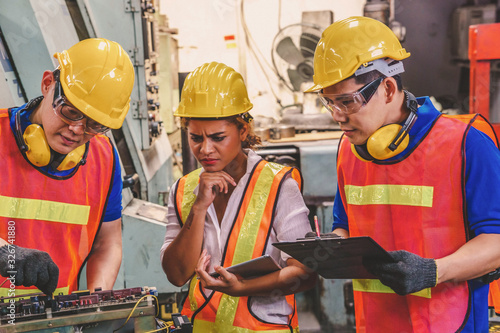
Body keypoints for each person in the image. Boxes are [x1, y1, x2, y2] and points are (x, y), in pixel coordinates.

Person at [304, 16, 500, 332]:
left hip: (450, 323)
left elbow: (496, 242)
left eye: (346, 102)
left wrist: (435, 271)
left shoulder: (466, 144)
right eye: (328, 103)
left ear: (388, 87)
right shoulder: (349, 150)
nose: (337, 117)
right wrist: (328, 246)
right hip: (376, 322)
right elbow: (344, 227)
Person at [161, 62, 317, 332]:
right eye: (195, 137)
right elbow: (176, 275)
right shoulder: (184, 189)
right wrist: (199, 208)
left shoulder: (279, 185)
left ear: (243, 131)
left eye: (218, 137)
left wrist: (243, 287)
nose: (205, 149)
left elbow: (305, 273)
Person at [0, 38, 134, 297]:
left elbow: (107, 244)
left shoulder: (104, 158)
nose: (77, 130)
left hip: (53, 321)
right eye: (71, 112)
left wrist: (96, 301)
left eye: (95, 125)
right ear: (48, 84)